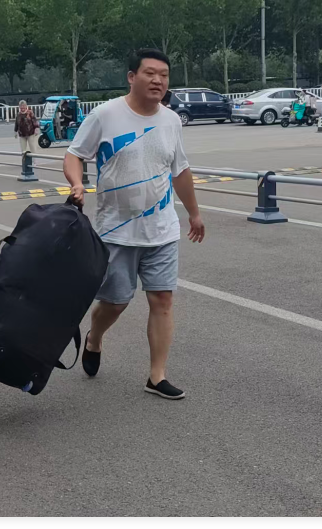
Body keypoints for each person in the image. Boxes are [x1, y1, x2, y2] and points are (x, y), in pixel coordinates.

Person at [64, 49, 206, 400]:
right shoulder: (105, 115)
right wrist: (77, 183)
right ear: (132, 77)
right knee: (115, 302)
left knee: (162, 300)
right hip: (116, 231)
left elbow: (180, 170)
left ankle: (157, 376)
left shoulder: (171, 120)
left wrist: (194, 212)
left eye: (164, 75)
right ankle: (95, 338)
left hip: (161, 229)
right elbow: (74, 154)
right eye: (150, 73)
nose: (158, 80)